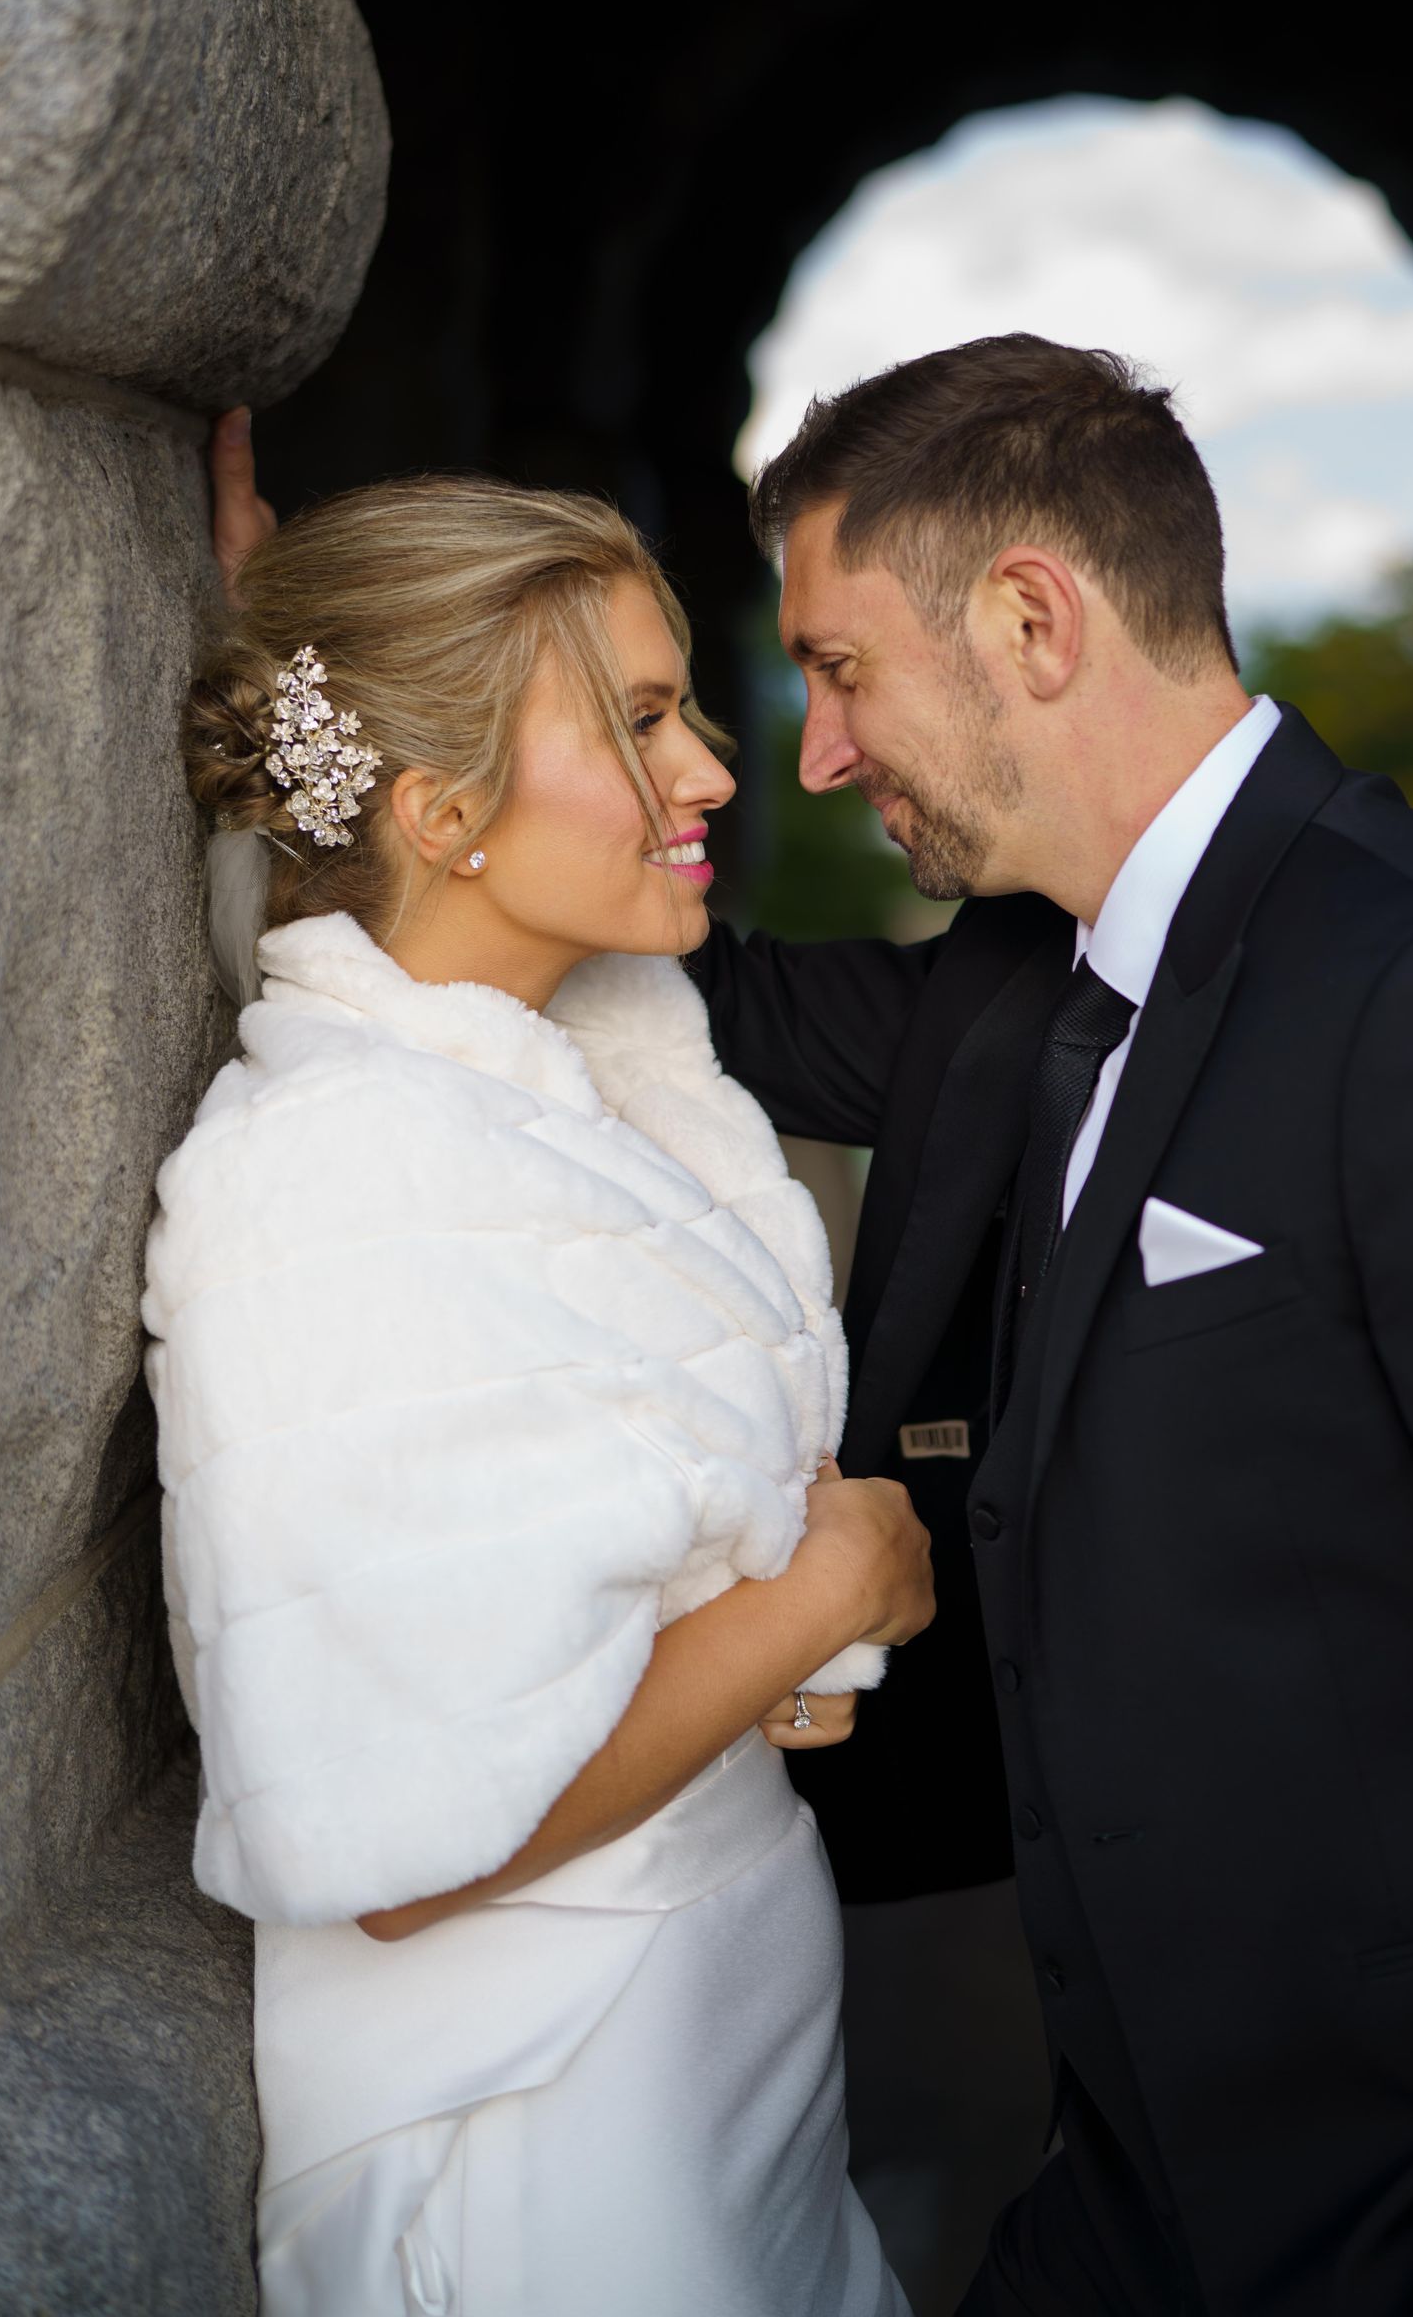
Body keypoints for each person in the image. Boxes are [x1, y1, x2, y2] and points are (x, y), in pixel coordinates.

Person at [207, 332, 1413, 2317]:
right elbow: (581, 946)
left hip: (1395, 2201)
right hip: (1115, 2180)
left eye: (840, 670)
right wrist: (326, 704)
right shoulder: (1015, 983)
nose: (813, 752)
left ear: (1031, 620)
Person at [148, 472, 932, 2316]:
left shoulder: (565, 1087)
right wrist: (828, 1588)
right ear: (439, 812)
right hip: (553, 2121)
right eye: (639, 720)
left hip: (714, 2047)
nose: (713, 770)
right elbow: (399, 1848)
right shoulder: (328, 1177)